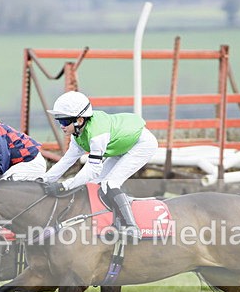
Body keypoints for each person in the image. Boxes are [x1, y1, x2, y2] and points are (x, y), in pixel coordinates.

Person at [41, 90, 158, 238]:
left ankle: (131, 227)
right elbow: (66, 161)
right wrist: (43, 179)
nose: (61, 126)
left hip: (141, 144)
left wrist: (65, 185)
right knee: (94, 185)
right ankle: (106, 221)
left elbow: (93, 169)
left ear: (80, 120)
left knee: (110, 184)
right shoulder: (77, 134)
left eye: (64, 122)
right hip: (121, 147)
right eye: (59, 121)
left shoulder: (97, 135)